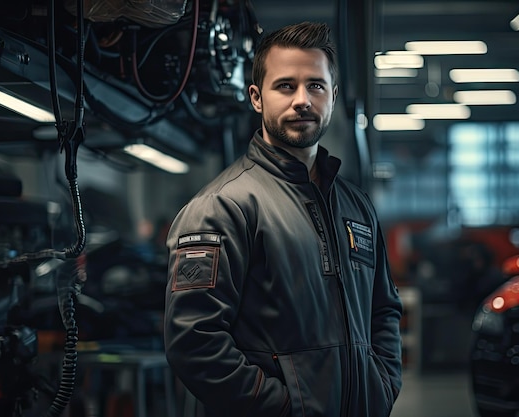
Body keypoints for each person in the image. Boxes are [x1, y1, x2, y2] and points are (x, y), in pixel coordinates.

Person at [163, 21, 403, 417]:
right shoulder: (221, 209)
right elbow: (195, 342)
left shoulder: (357, 206)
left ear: (333, 95)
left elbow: (384, 310)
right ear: (256, 97)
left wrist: (382, 384)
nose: (303, 100)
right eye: (286, 86)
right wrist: (286, 407)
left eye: (316, 86)